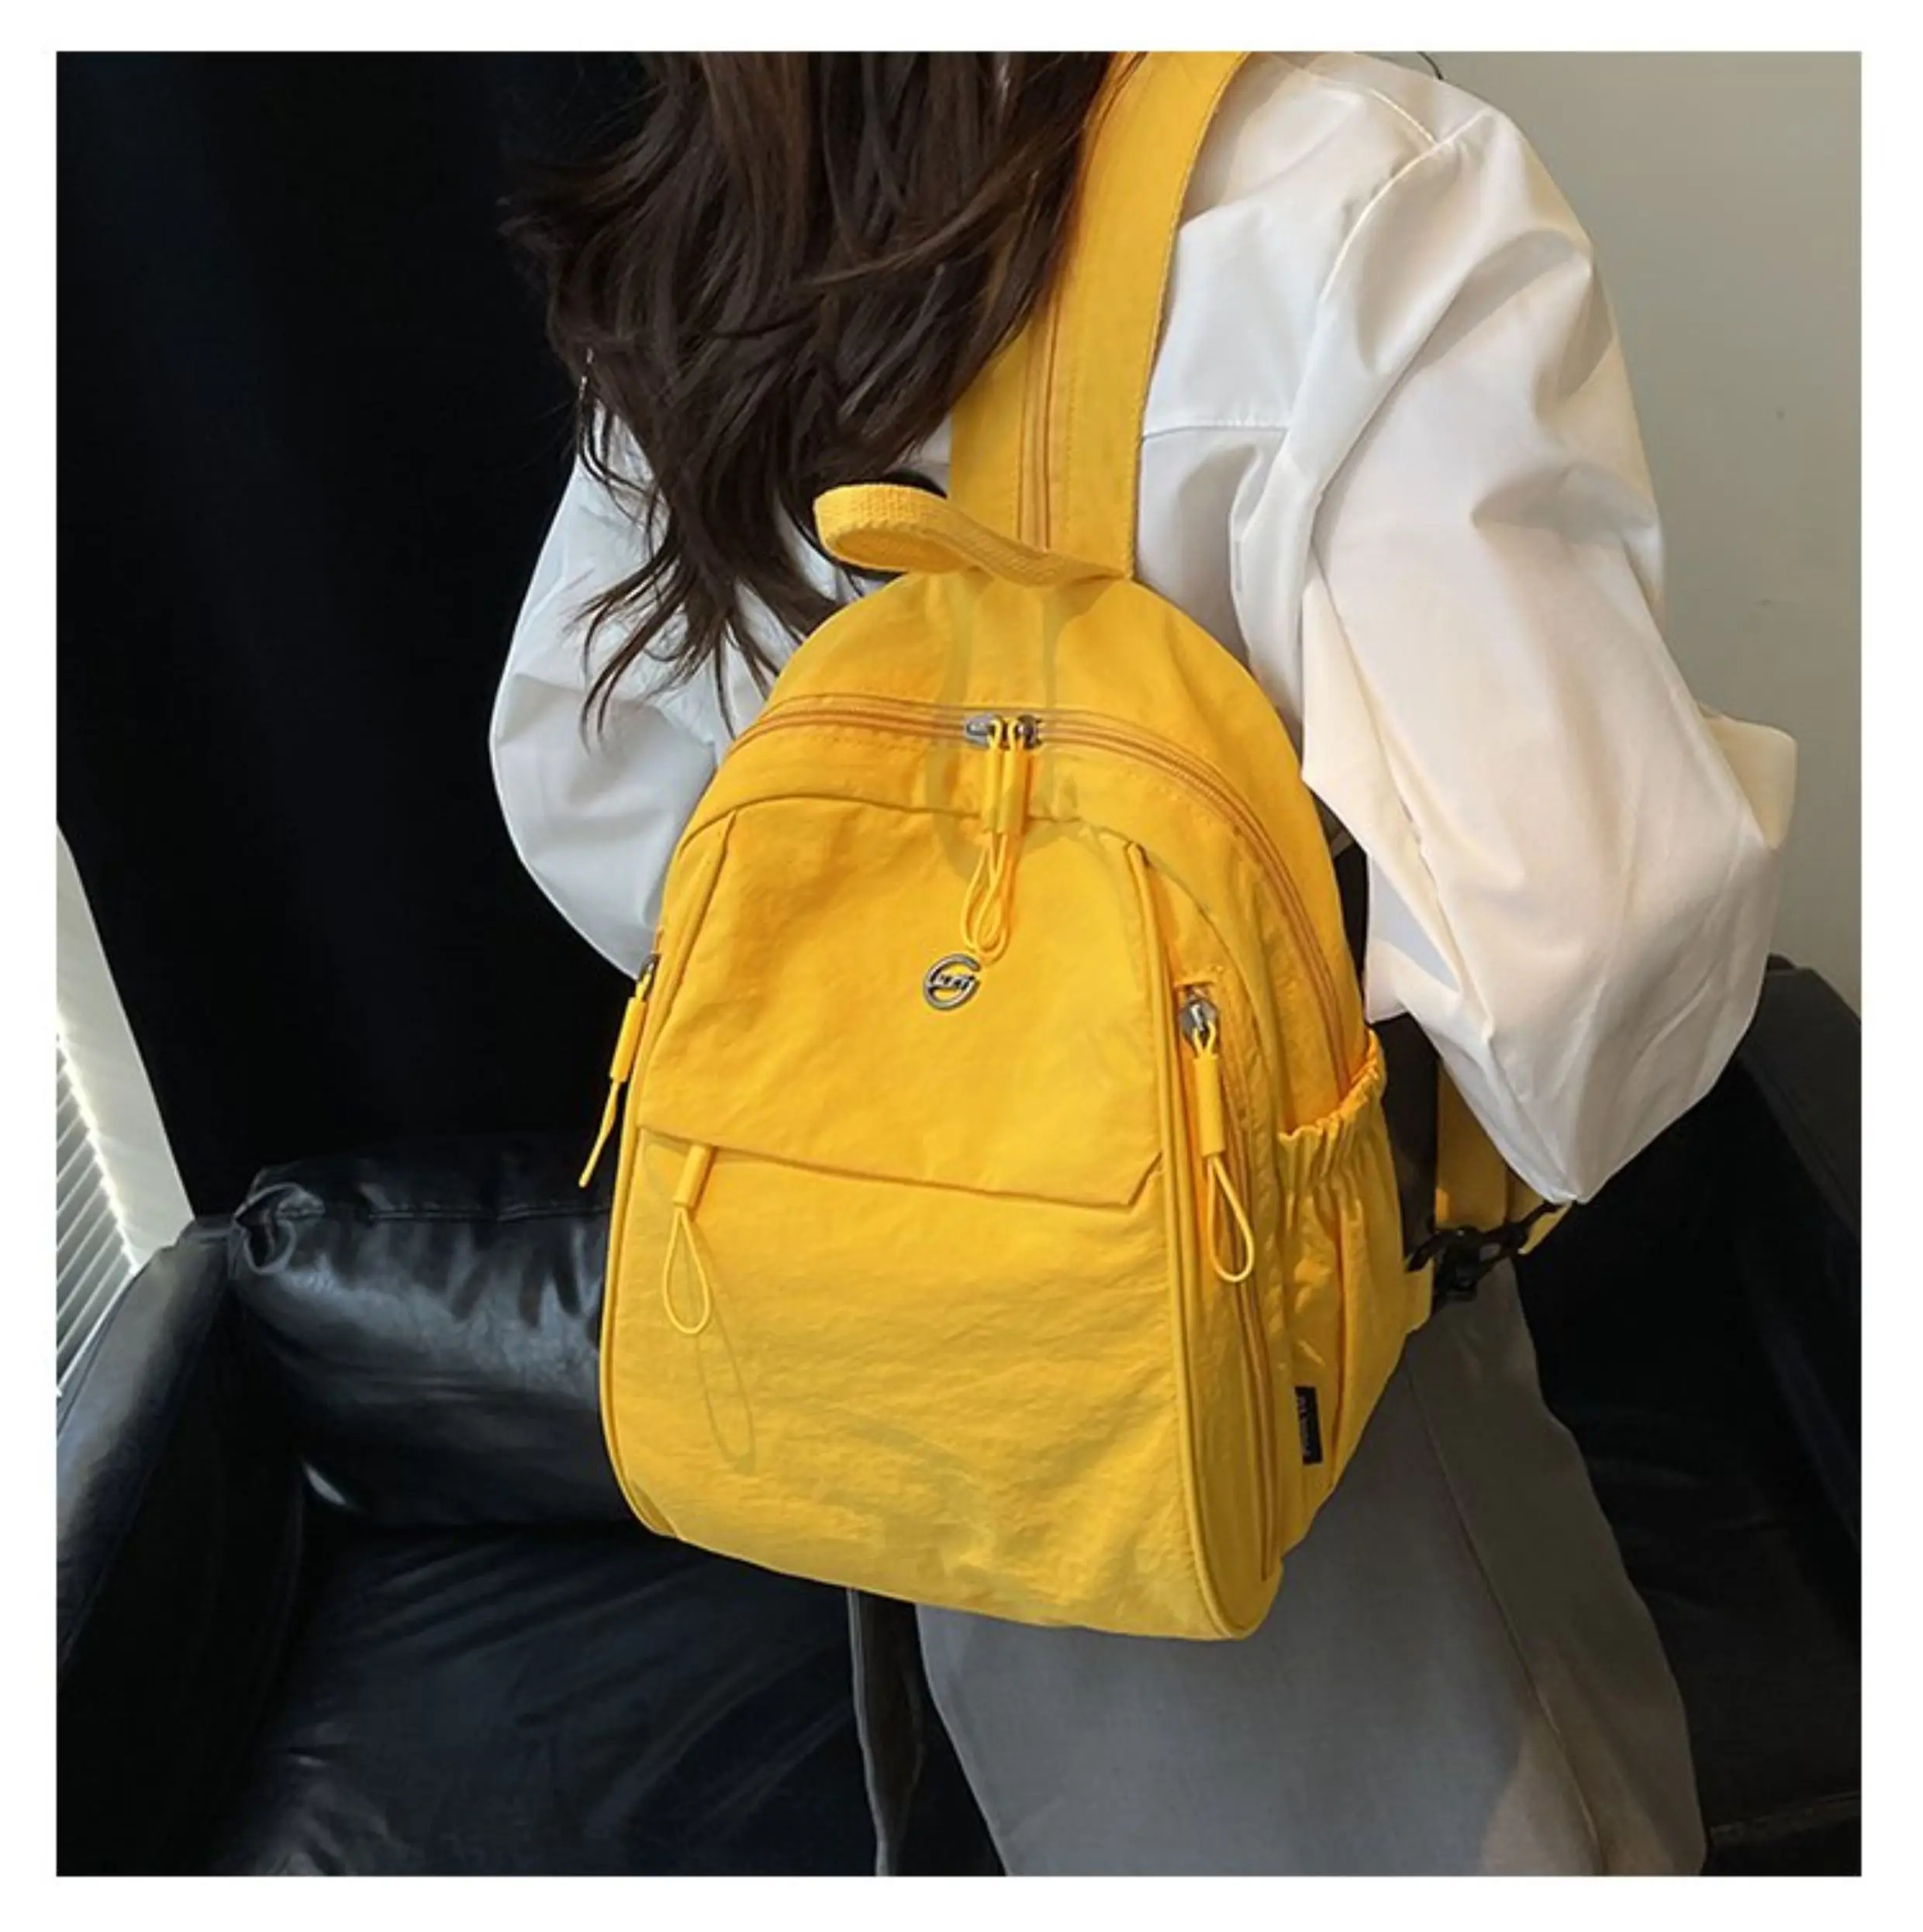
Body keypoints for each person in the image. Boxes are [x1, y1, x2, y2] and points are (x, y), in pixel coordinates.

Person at [492, 52, 1794, 1875]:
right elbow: (1573, 959)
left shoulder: (731, 200)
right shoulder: (1348, 187)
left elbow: (590, 793)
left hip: (879, 1356)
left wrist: (926, 1053)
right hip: (1287, 1376)